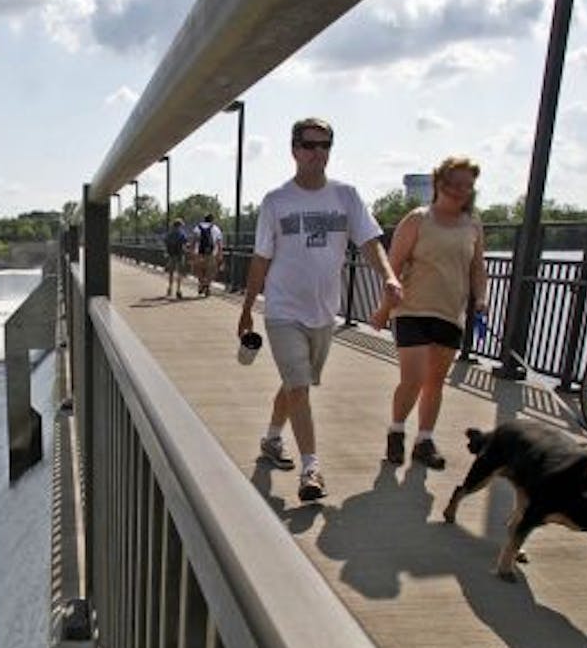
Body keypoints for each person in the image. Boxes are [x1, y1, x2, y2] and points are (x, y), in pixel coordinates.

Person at [238, 117, 403, 501]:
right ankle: (312, 469)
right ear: (294, 150)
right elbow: (261, 259)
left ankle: (272, 439)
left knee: (296, 383)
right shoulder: (276, 201)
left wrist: (389, 277)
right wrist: (247, 308)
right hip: (282, 310)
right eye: (310, 146)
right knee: (299, 386)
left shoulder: (346, 196)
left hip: (323, 312)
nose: (318, 154)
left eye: (325, 146)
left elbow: (370, 242)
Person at [376, 156, 489, 469]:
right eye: (454, 184)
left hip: (450, 312)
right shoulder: (418, 219)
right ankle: (396, 431)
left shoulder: (473, 223)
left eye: (467, 185)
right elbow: (392, 266)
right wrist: (384, 309)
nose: (459, 191)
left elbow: (478, 267)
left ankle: (424, 440)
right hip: (411, 308)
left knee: (435, 382)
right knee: (412, 378)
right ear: (439, 182)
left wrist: (481, 298)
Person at [191, 213, 224, 296]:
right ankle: (207, 286)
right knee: (211, 270)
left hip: (199, 252)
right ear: (212, 220)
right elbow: (219, 242)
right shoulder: (216, 229)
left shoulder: (197, 228)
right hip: (211, 253)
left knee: (199, 269)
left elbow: (194, 241)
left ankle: (202, 283)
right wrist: (220, 253)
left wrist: (192, 252)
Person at [163, 218, 189, 298]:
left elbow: (165, 242)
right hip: (180, 255)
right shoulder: (182, 233)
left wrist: (166, 252)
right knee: (179, 273)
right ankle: (178, 290)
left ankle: (170, 288)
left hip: (171, 255)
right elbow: (185, 243)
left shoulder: (169, 234)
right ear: (180, 225)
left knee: (171, 273)